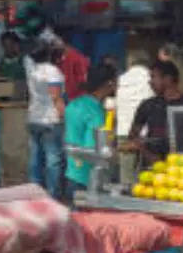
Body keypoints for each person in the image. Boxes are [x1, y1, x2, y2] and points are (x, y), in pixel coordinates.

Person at [126, 60, 183, 167]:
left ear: (168, 79)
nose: (150, 82)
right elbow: (132, 136)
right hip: (151, 168)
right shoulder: (148, 105)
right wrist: (141, 148)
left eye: (153, 77)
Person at [63, 64, 118, 200]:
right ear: (109, 84)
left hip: (71, 172)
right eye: (116, 83)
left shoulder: (73, 104)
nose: (117, 87)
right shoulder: (96, 113)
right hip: (87, 179)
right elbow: (95, 148)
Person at [25, 41, 67, 198]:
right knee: (53, 159)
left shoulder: (32, 69)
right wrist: (63, 117)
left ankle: (33, 193)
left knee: (35, 158)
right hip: (50, 119)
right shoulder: (53, 72)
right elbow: (56, 97)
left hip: (34, 117)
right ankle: (52, 195)